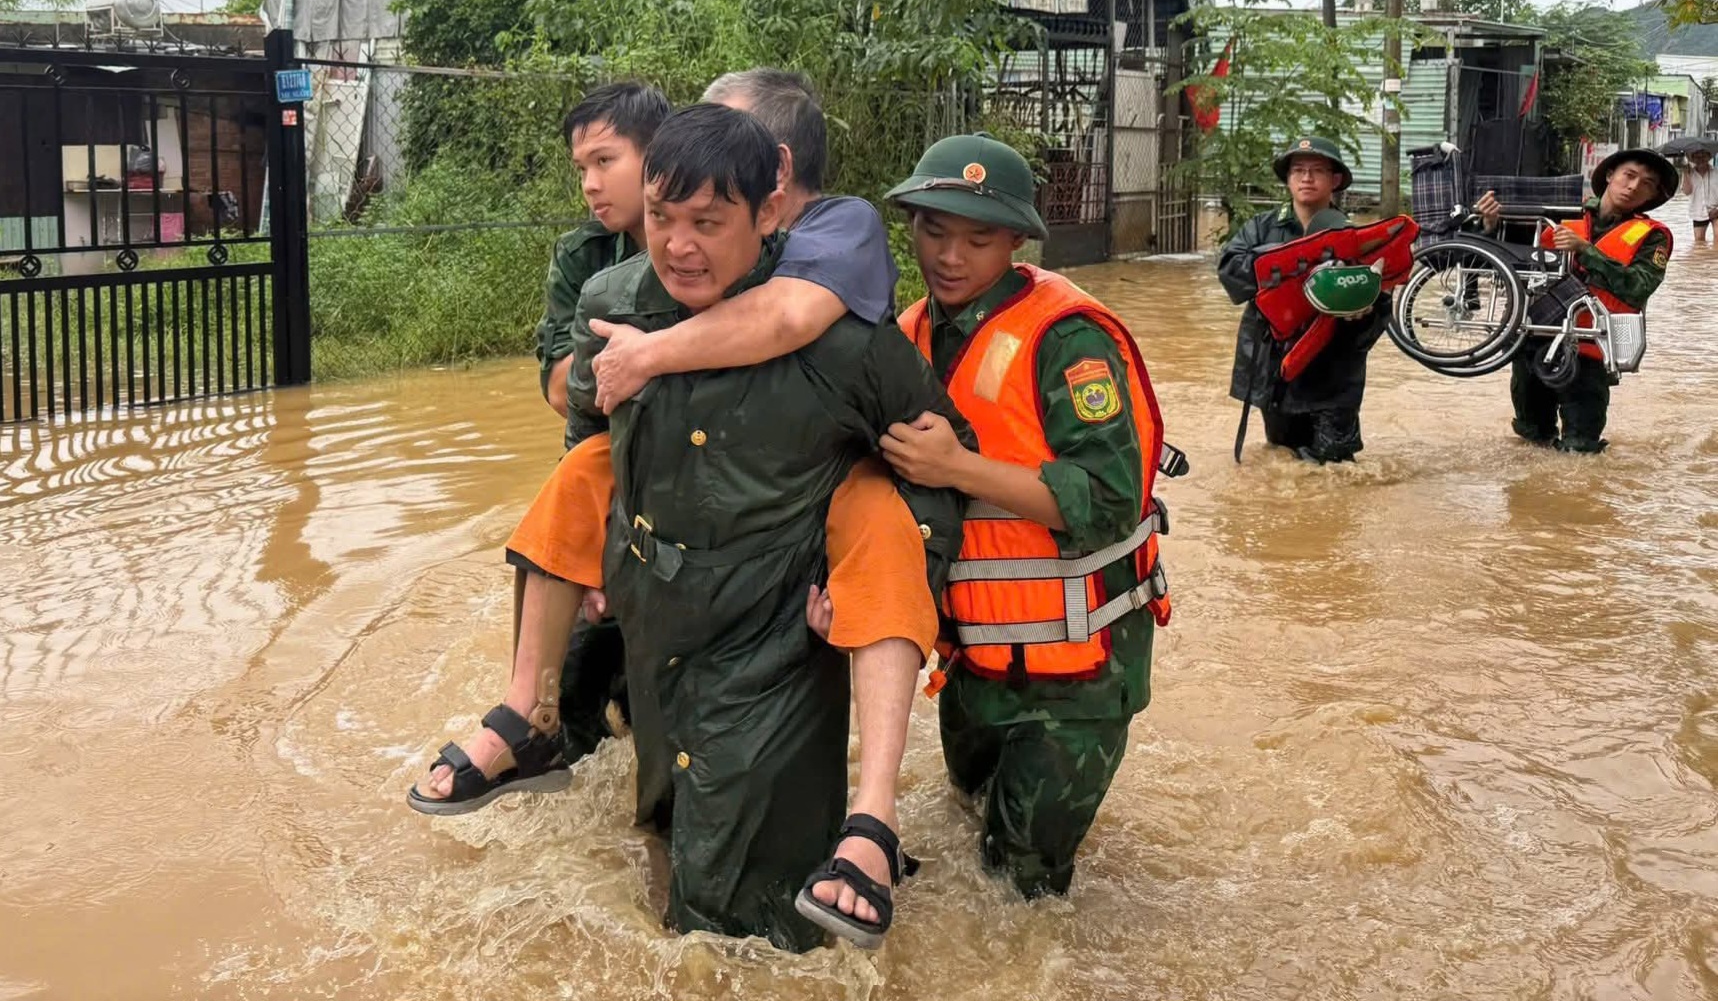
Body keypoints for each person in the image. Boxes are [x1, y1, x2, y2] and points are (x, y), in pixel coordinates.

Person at [411, 74, 952, 949]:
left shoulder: (845, 341)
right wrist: (598, 559)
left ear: (768, 215)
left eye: (709, 223)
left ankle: (864, 840)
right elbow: (592, 446)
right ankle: (536, 722)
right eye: (662, 217)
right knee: (662, 848)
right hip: (659, 630)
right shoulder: (609, 306)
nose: (680, 245)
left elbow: (931, 472)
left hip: (774, 642)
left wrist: (874, 580)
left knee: (759, 925)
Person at [868, 133, 1170, 900]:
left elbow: (1106, 500)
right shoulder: (905, 336)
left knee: (1020, 888)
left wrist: (957, 468)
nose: (950, 256)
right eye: (934, 231)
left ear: (1015, 240)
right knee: (966, 827)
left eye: (978, 238)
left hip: (1078, 676)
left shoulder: (1067, 339)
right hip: (973, 663)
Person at [535, 82, 669, 762]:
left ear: (658, 157)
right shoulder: (583, 256)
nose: (590, 183)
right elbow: (562, 385)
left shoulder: (721, 249)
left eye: (604, 161)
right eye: (580, 168)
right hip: (596, 493)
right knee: (563, 714)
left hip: (679, 510)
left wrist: (639, 358)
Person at [1218, 136, 1388, 463]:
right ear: (1288, 179)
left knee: (1337, 476)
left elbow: (1379, 310)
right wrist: (1288, 262)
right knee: (1282, 462)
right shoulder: (1260, 229)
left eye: (1316, 170)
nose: (1306, 178)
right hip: (1276, 373)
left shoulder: (1356, 241)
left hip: (1333, 380)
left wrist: (1362, 310)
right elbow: (1230, 272)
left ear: (1334, 180)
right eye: (1298, 171)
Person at [1509, 148, 1675, 453]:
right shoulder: (1559, 212)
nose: (1634, 186)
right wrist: (1490, 223)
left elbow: (1639, 286)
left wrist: (1587, 251)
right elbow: (1508, 252)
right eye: (1629, 175)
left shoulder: (1653, 236)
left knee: (1580, 451)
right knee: (1531, 440)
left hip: (1592, 349)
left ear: (1652, 195)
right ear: (1610, 175)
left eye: (1647, 183)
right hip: (1536, 339)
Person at [1683, 146, 1717, 244]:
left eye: (1703, 156)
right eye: (1697, 157)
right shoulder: (1690, 174)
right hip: (1698, 212)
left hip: (1716, 210)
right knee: (1699, 242)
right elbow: (1687, 192)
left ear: (1709, 157)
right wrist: (1685, 174)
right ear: (1693, 159)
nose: (1700, 159)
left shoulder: (1716, 173)